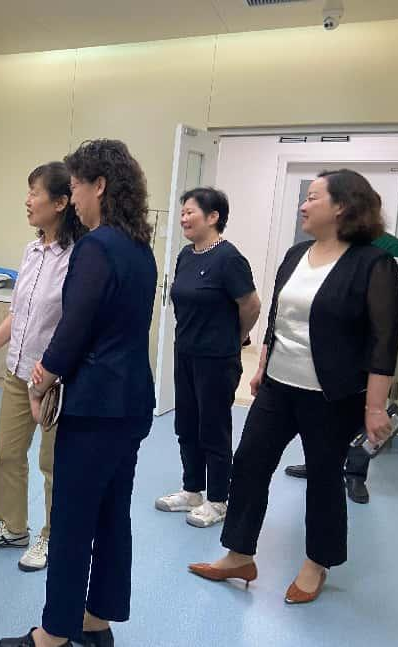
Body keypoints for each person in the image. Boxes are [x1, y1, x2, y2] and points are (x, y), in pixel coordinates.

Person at [189, 170, 398, 604]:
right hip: (278, 386)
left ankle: (317, 562)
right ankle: (239, 554)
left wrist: (375, 407)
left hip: (332, 394)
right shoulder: (296, 255)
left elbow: (384, 342)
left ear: (342, 206)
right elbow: (277, 320)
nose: (303, 206)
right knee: (249, 463)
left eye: (313, 198)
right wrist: (262, 368)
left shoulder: (372, 264)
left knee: (324, 476)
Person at [0, 139, 157, 647]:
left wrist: (41, 379)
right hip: (132, 401)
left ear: (99, 186)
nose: (75, 200)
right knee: (112, 514)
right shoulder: (138, 247)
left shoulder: (96, 247)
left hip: (95, 406)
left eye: (76, 188)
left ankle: (53, 634)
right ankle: (96, 621)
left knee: (71, 521)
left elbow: (75, 328)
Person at [0, 161, 87, 572]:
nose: (28, 201)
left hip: (54, 380)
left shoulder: (78, 256)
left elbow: (75, 323)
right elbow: (18, 314)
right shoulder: (32, 251)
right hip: (18, 372)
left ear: (61, 202)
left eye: (35, 192)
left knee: (53, 464)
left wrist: (51, 373)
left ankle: (53, 535)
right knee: (7, 453)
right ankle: (13, 527)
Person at [155, 188, 260, 528]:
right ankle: (192, 491)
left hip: (216, 358)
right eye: (183, 212)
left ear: (213, 217)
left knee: (213, 428)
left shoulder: (229, 259)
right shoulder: (186, 255)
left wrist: (235, 338)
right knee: (186, 424)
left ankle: (218, 499)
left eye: (191, 212)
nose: (184, 218)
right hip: (185, 352)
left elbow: (251, 305)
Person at [284, 230, 398, 504]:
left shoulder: (392, 248)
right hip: (329, 352)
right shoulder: (332, 244)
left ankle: (355, 474)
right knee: (319, 415)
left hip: (366, 351)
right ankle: (315, 464)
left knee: (362, 417)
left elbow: (386, 300)